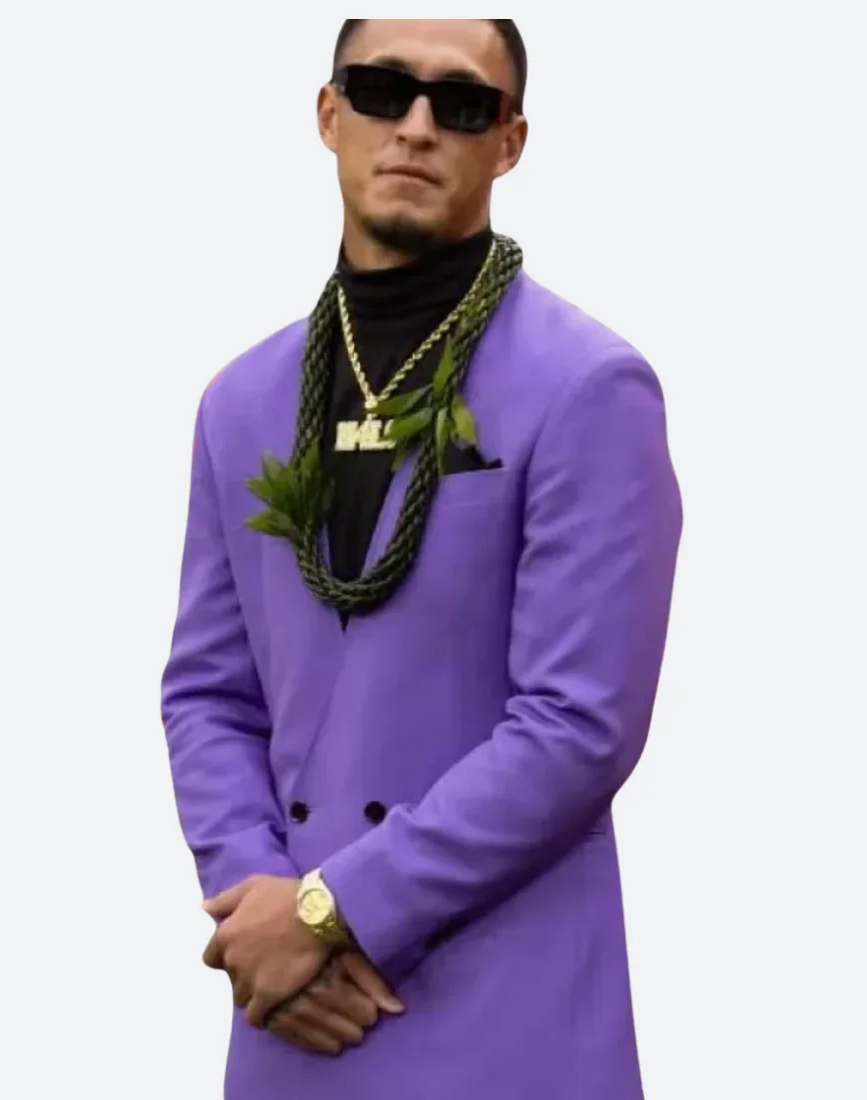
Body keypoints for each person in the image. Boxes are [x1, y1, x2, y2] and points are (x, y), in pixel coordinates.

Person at [161, 17, 683, 1100]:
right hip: (292, 1019)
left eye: (461, 103)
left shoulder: (590, 389)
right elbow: (209, 692)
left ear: (510, 141)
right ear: (328, 112)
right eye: (382, 88)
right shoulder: (239, 402)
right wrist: (257, 905)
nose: (415, 126)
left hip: (509, 1012)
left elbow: (578, 721)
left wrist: (331, 910)